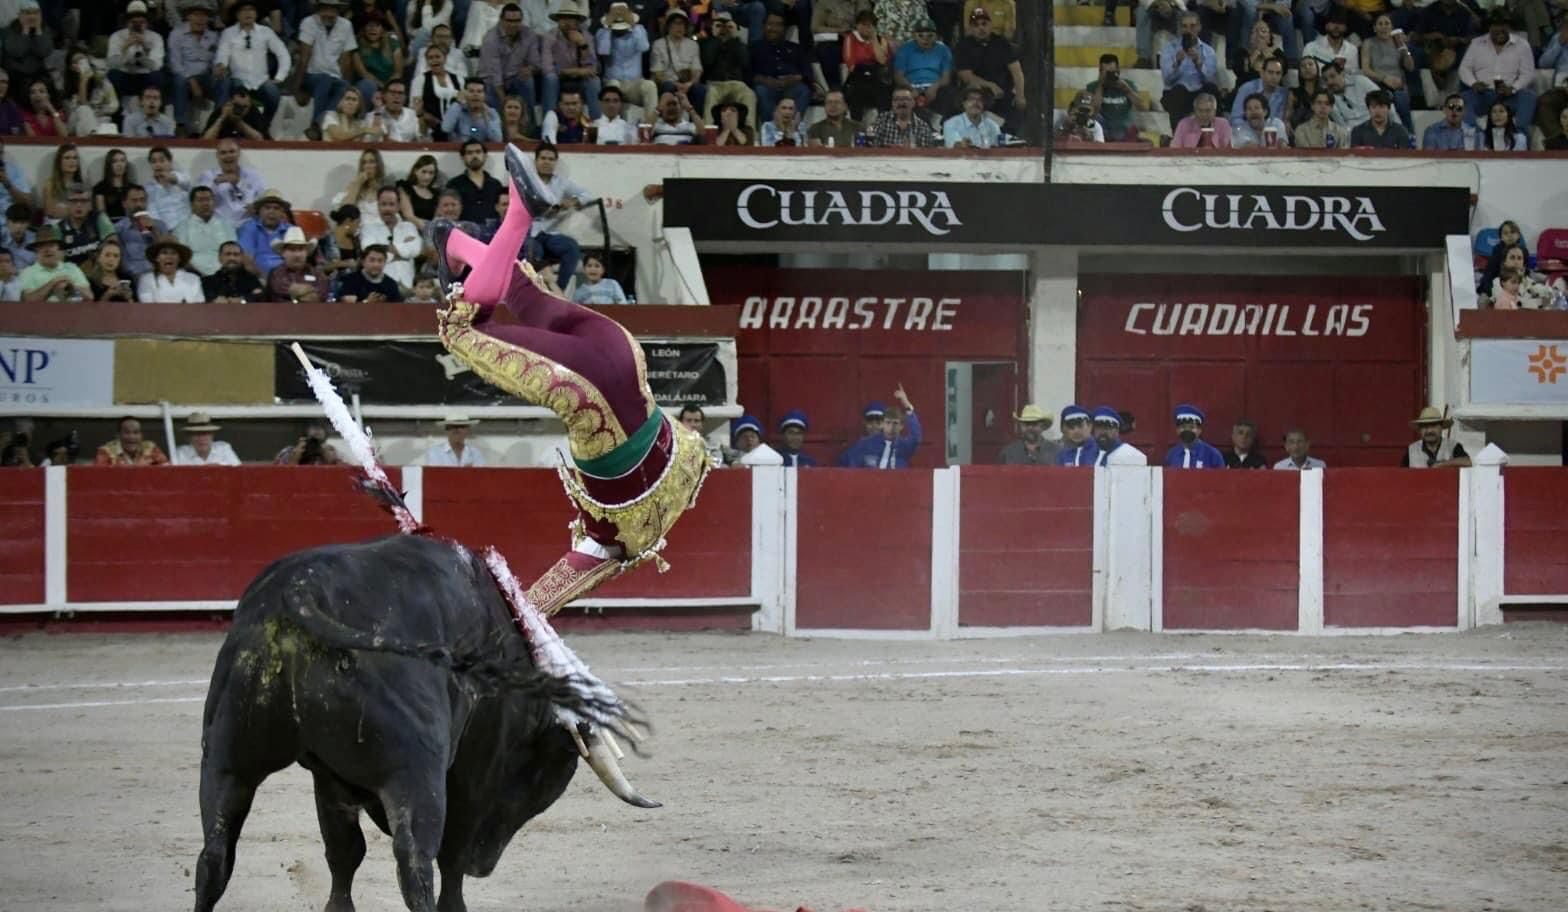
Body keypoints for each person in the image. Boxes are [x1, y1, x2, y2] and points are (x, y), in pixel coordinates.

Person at [431, 143, 712, 615]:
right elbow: (566, 580)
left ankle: (452, 242)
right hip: (590, 394)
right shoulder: (607, 539)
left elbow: (695, 453)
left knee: (530, 299)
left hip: (624, 356)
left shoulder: (669, 493)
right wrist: (521, 616)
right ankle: (518, 216)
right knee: (460, 328)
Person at [513, 142, 589, 288]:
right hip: (529, 232)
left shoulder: (561, 182)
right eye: (543, 158)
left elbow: (587, 195)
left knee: (571, 247)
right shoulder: (526, 181)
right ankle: (535, 291)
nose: (546, 162)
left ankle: (558, 290)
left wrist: (572, 201)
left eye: (551, 159)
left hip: (550, 234)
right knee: (533, 250)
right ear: (536, 161)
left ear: (555, 162)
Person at [954, 6, 1026, 133]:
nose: (981, 28)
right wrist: (989, 85)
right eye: (976, 25)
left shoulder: (1002, 43)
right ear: (971, 28)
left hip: (1001, 92)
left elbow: (1017, 71)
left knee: (1015, 113)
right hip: (975, 91)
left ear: (991, 25)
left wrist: (1020, 95)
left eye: (984, 24)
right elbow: (965, 75)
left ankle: (1010, 141)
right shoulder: (963, 45)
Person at [840, 386, 921, 468]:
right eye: (870, 420)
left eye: (878, 421)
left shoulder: (902, 445)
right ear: (865, 423)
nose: (874, 425)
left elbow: (915, 437)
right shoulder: (863, 445)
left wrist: (907, 405)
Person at [19, 227, 91, 304]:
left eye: (51, 245)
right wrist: (54, 283)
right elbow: (28, 301)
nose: (47, 250)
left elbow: (90, 297)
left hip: (72, 313)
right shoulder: (27, 272)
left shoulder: (72, 268)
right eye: (42, 246)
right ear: (36, 250)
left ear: (58, 248)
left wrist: (71, 286)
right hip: (41, 314)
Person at [1089, 53, 1149, 142]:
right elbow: (1093, 110)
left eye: (1112, 72)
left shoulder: (1128, 85)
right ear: (1100, 72)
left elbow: (1143, 107)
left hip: (1124, 129)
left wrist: (1127, 90)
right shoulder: (1093, 86)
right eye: (1107, 72)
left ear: (1118, 71)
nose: (1110, 76)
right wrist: (1100, 85)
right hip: (1104, 129)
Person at [447, 139, 504, 223]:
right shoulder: (454, 184)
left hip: (492, 233)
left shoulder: (496, 184)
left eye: (478, 152)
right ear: (463, 157)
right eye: (469, 153)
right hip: (464, 232)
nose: (474, 156)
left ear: (485, 156)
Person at [137, 238, 204, 302]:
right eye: (164, 253)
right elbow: (147, 307)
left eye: (173, 253)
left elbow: (199, 306)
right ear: (156, 258)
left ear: (179, 258)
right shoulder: (146, 279)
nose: (169, 256)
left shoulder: (193, 279)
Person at [1162, 404, 1226, 468]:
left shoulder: (1213, 455)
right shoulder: (1171, 455)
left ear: (1200, 430)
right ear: (1177, 430)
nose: (1187, 430)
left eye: (1191, 427)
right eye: (1183, 427)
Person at [1402, 406, 1469, 467]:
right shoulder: (1412, 450)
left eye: (1433, 426)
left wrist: (1443, 464)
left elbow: (1468, 462)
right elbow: (1402, 475)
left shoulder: (1453, 446)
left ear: (1441, 427)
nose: (1429, 431)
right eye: (1425, 427)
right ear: (1420, 430)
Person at [202, 240, 266, 302]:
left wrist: (243, 300)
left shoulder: (252, 280)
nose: (232, 258)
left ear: (242, 257)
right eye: (227, 254)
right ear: (220, 257)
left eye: (236, 254)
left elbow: (259, 297)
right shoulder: (208, 282)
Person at [94, 417, 170, 466]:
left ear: (141, 435)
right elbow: (100, 478)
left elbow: (167, 471)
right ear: (118, 435)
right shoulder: (105, 451)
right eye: (127, 432)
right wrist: (137, 468)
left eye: (136, 432)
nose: (131, 436)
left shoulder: (150, 447)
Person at [176, 412, 241, 466]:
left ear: (212, 435)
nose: (201, 438)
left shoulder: (223, 448)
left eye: (205, 433)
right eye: (196, 434)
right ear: (189, 437)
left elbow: (238, 470)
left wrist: (218, 466)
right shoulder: (181, 453)